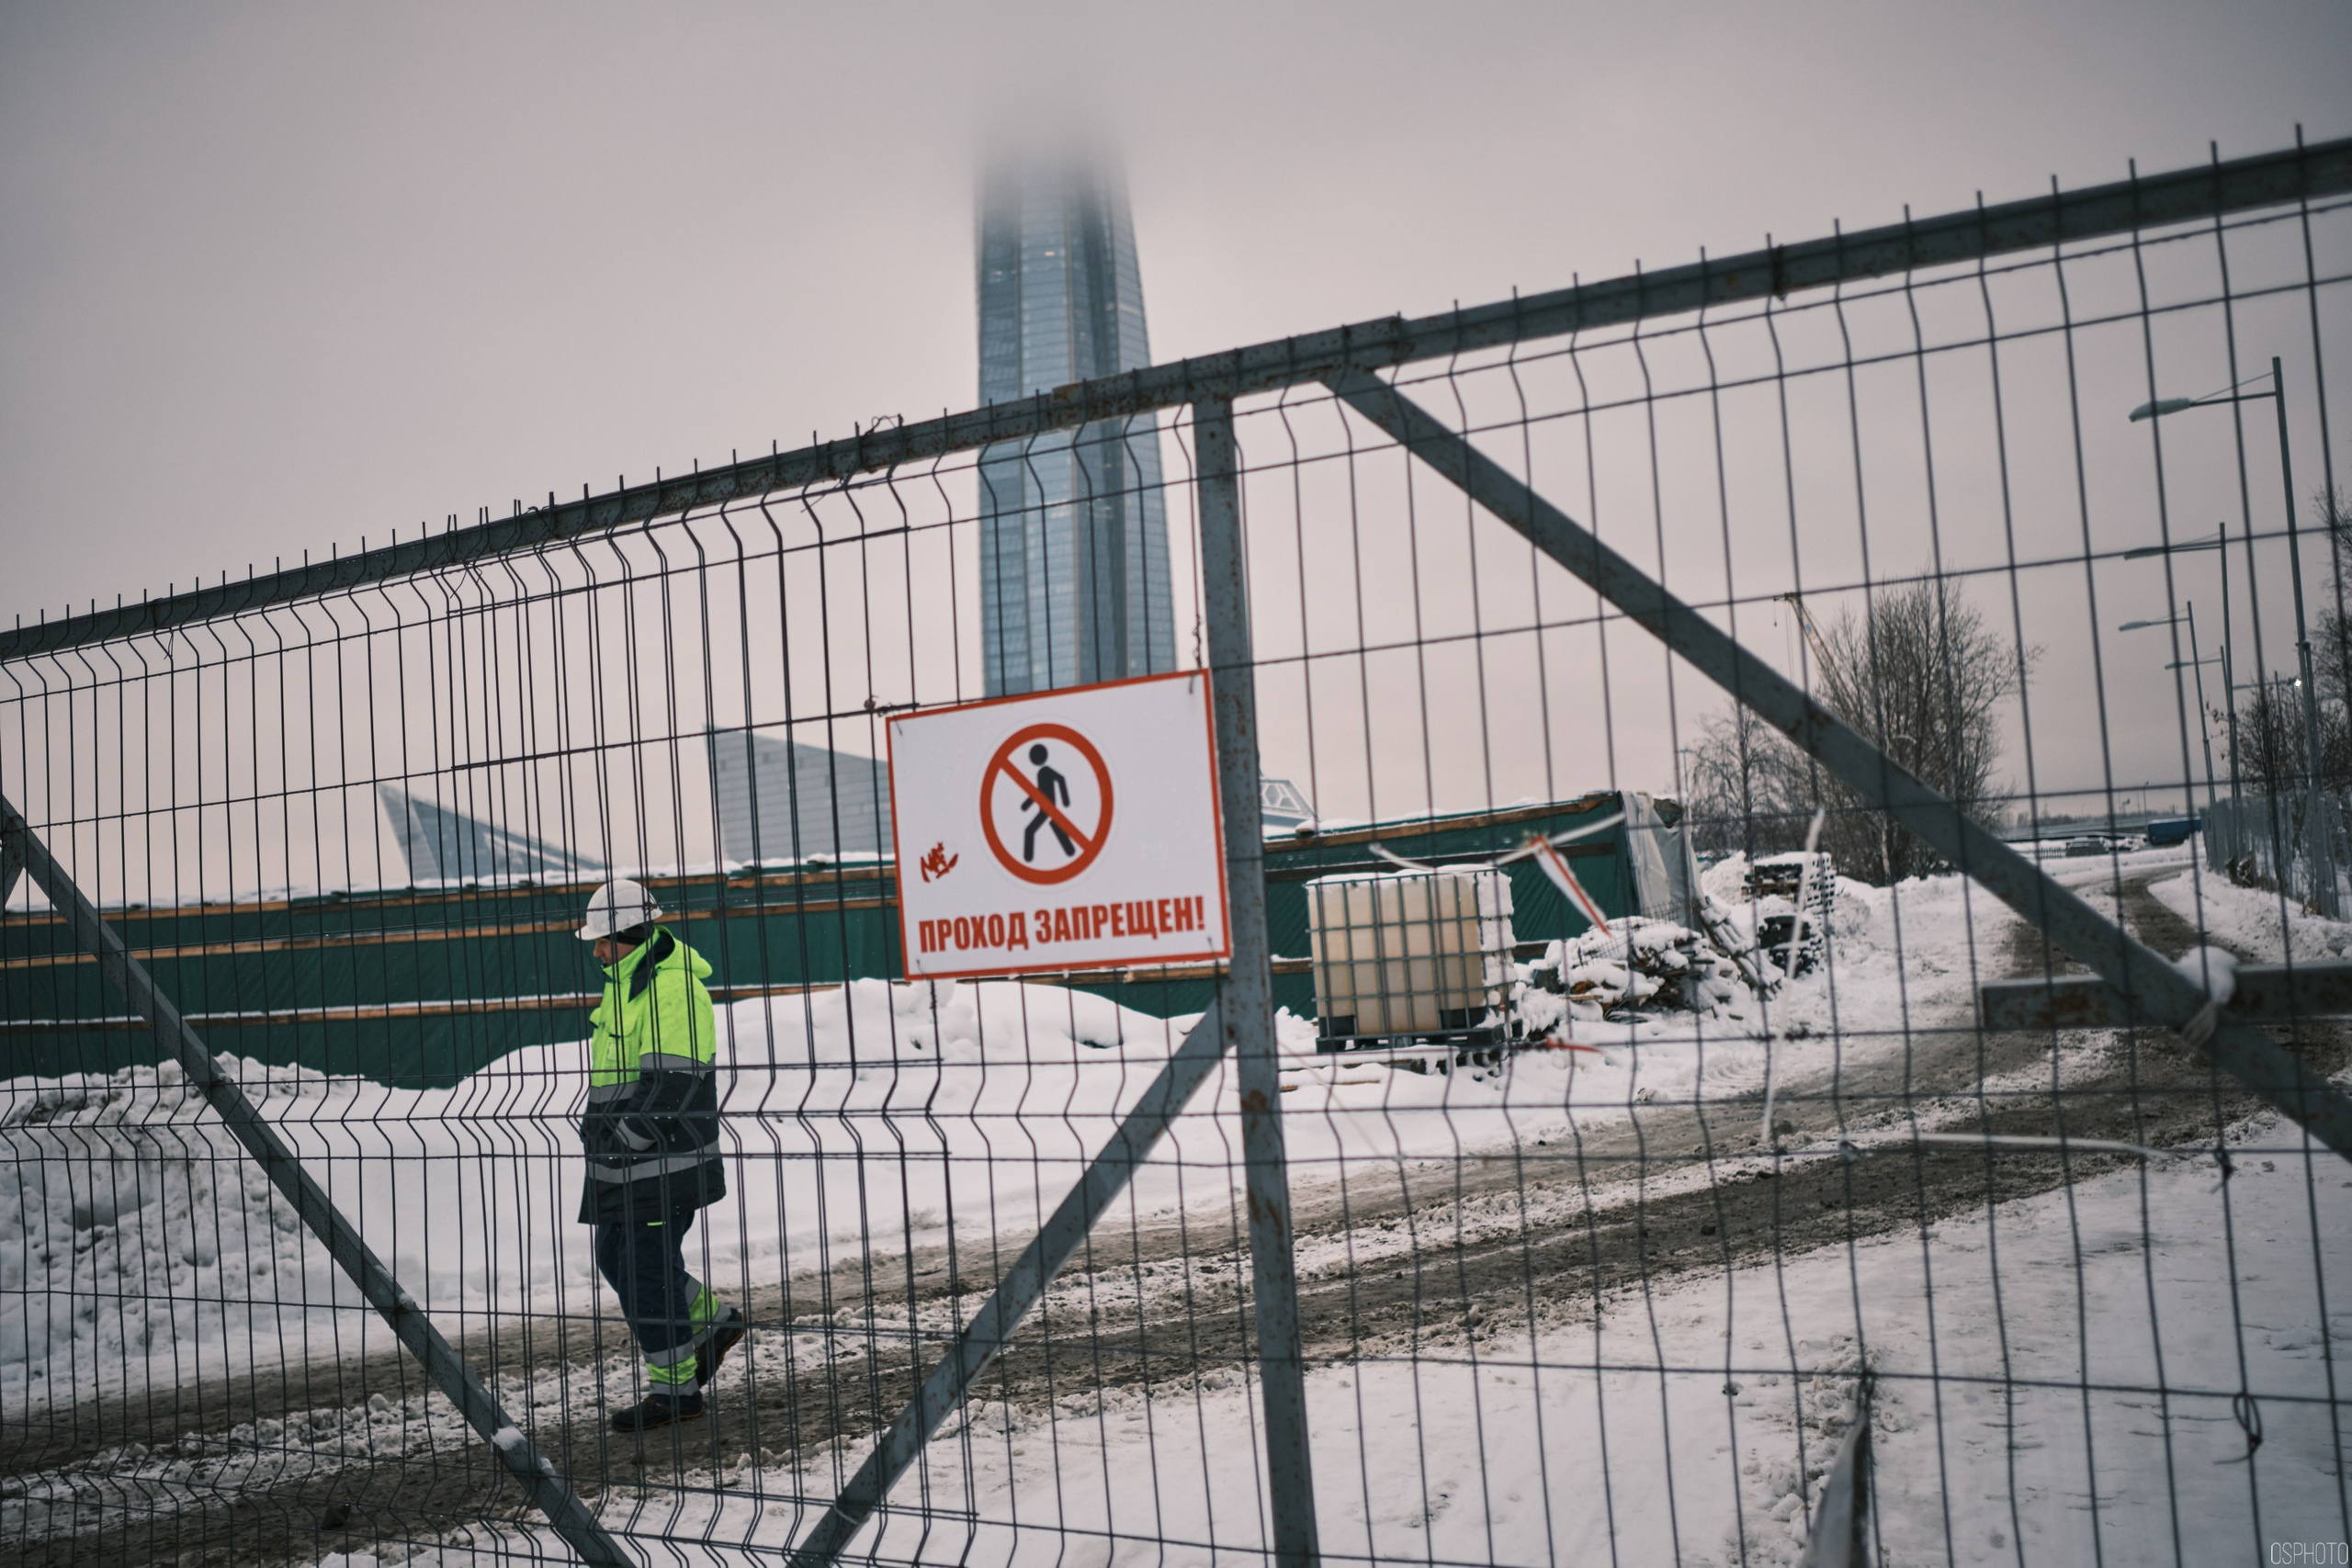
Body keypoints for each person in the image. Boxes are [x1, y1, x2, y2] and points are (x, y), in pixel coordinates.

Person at [576, 877, 744, 1431]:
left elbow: (676, 1078)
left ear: (632, 932)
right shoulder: (626, 983)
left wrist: (629, 1136)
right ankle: (714, 1322)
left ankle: (677, 1394)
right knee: (619, 1260)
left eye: (604, 940)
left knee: (646, 1270)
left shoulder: (672, 987)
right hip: (626, 1162)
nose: (597, 951)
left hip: (661, 1161)